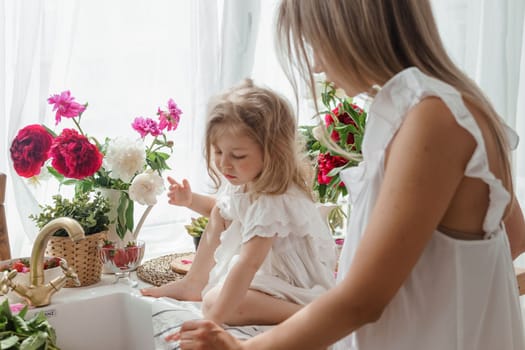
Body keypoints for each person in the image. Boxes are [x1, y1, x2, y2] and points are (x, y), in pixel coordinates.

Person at [167, 0, 525, 349]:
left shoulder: (431, 118)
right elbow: (512, 237)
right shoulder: (458, 104)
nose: (318, 66)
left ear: (350, 32)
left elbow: (361, 300)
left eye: (315, 42)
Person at [141, 79, 337, 326]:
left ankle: (316, 315)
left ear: (273, 153)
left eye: (237, 155)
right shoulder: (247, 178)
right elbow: (224, 209)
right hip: (268, 276)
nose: (224, 164)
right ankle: (193, 282)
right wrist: (191, 201)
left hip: (293, 284)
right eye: (219, 152)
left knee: (214, 302)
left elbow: (249, 262)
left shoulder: (274, 200)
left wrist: (214, 319)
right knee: (219, 216)